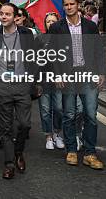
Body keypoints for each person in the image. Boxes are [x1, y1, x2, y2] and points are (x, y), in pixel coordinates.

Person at [47, 0, 105, 170]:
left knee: (90, 115)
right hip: (68, 75)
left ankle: (90, 153)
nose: (69, 7)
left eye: (72, 4)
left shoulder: (90, 26)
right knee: (69, 114)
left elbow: (98, 50)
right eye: (66, 5)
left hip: (88, 74)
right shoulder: (57, 27)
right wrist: (57, 75)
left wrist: (101, 73)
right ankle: (71, 150)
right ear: (63, 7)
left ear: (78, 6)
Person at [0, 3, 39, 179]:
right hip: (1, 85)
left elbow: (33, 59)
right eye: (1, 14)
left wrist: (35, 82)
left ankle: (18, 152)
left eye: (7, 14)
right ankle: (9, 163)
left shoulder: (26, 34)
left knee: (25, 124)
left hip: (22, 85)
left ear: (15, 17)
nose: (3, 17)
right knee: (6, 127)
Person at [38, 12, 64, 150]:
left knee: (59, 108)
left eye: (53, 21)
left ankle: (57, 133)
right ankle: (48, 136)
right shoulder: (40, 39)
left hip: (59, 80)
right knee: (45, 109)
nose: (51, 23)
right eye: (48, 21)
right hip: (43, 79)